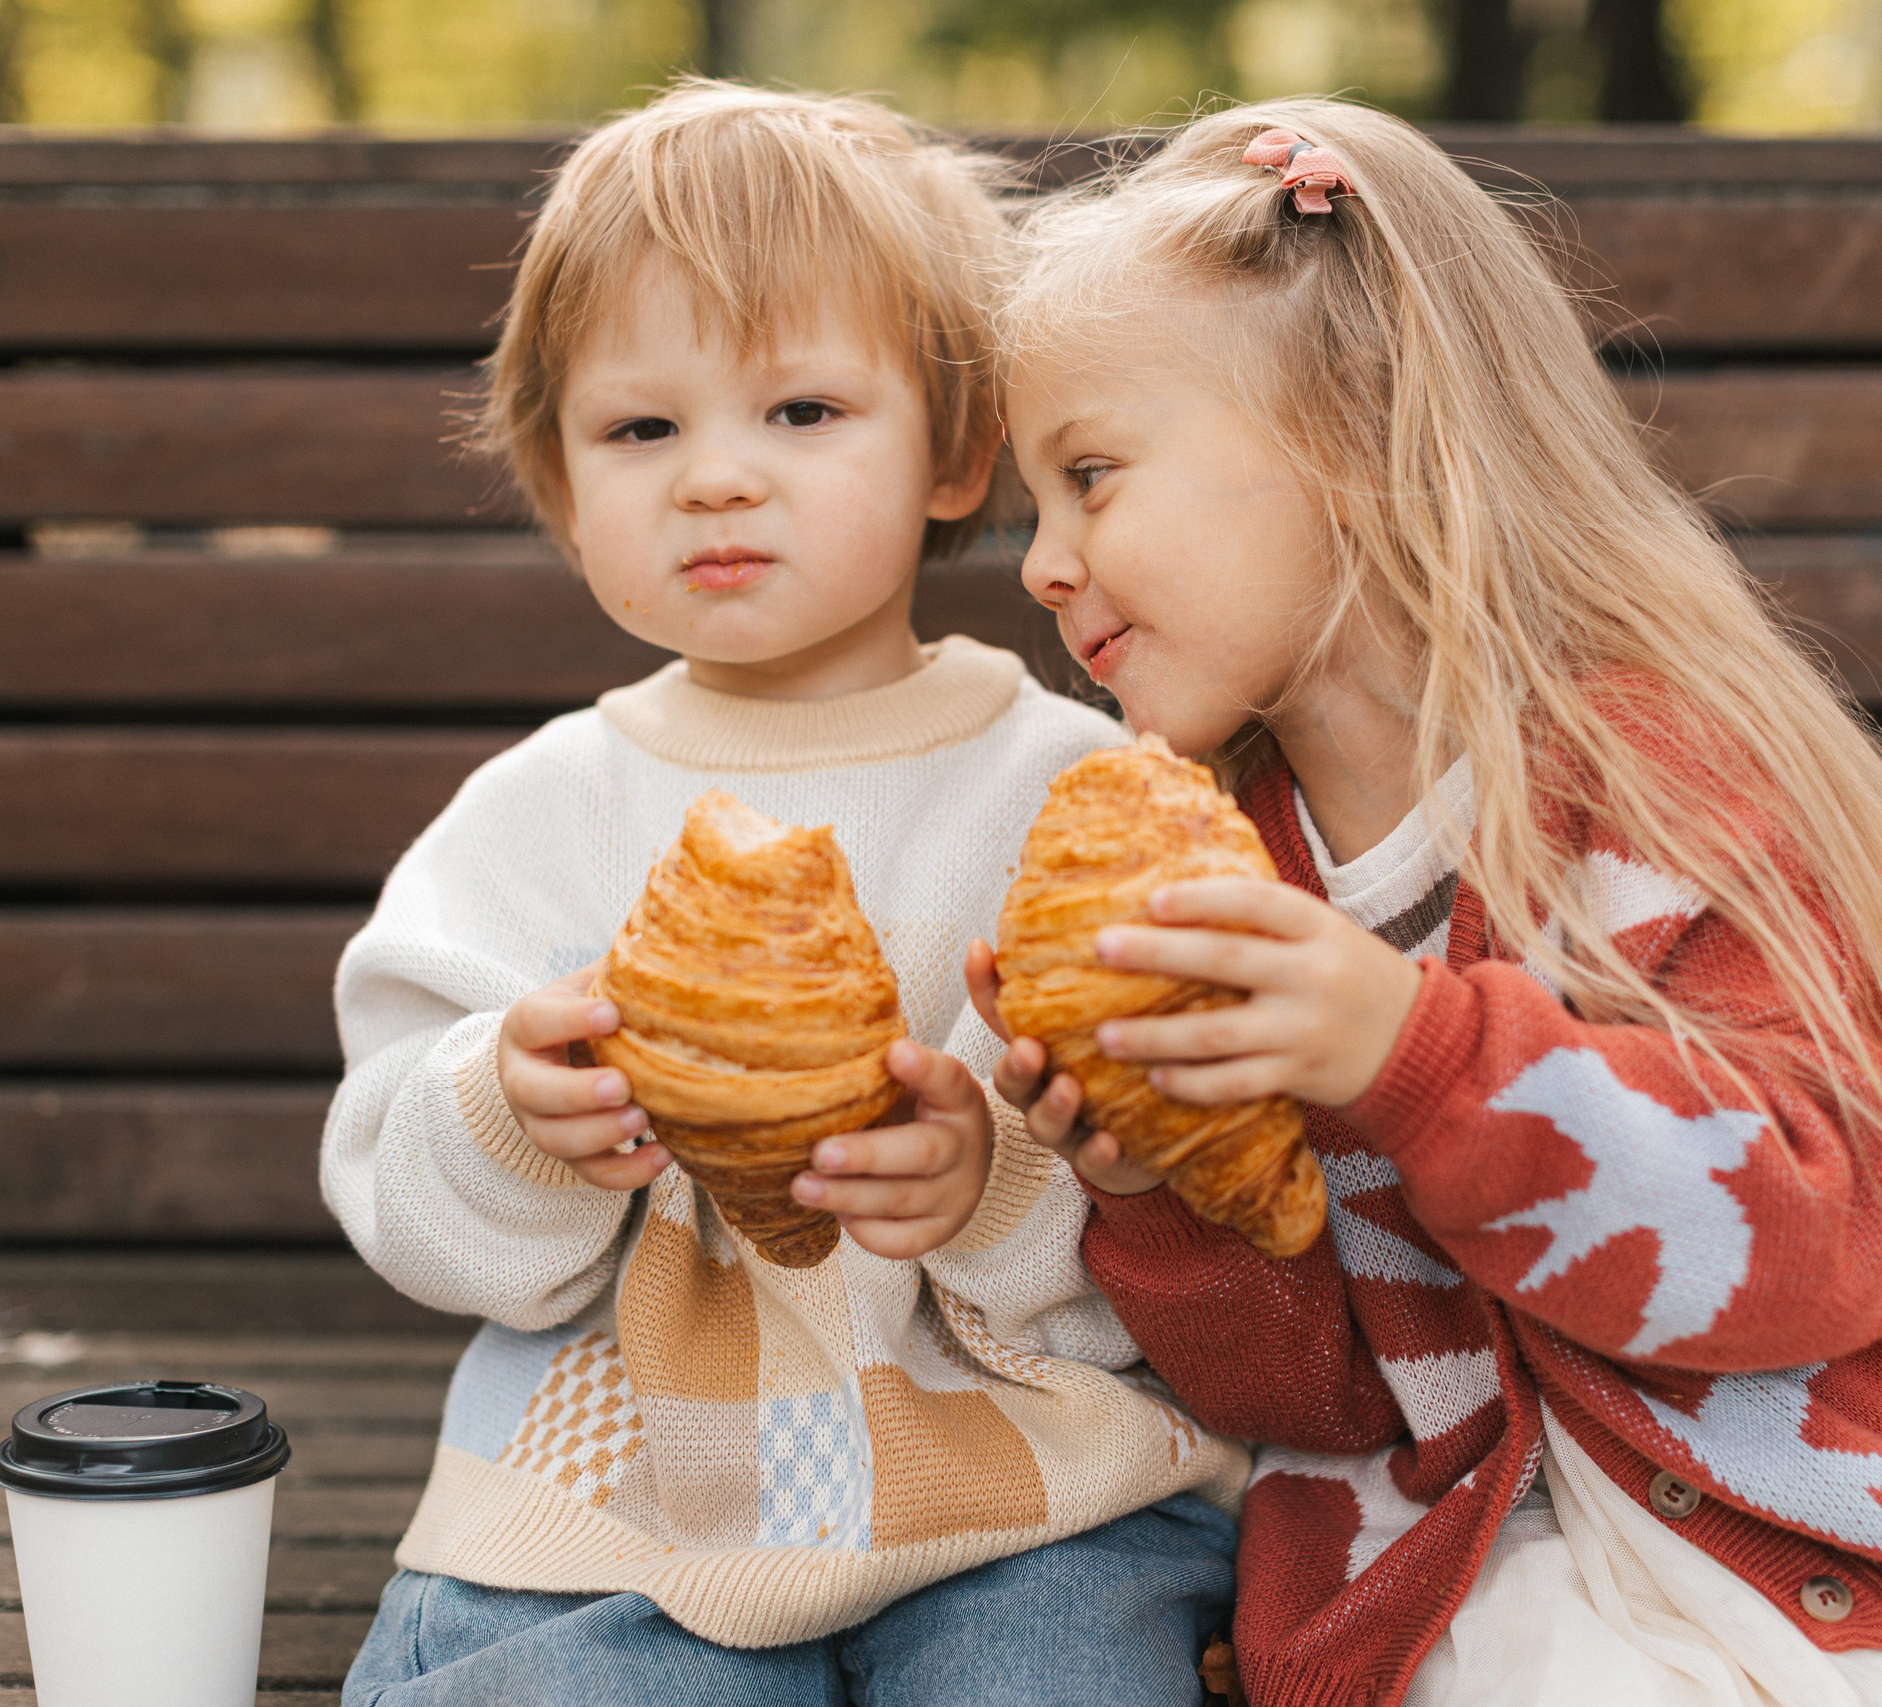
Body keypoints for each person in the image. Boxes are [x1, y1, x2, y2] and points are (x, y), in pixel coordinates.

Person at [972, 99, 1882, 1707]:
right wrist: (1176, 1189)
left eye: (1091, 476)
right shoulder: (1230, 867)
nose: (1043, 562)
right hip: (1469, 1574)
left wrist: (1415, 1052)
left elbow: (1805, 1231)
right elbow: (1316, 1401)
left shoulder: (1658, 784)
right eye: (1038, 505)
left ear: (1357, 434)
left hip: (1853, 1534)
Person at [322, 81, 1242, 1706]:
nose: (717, 479)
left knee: (1060, 1676)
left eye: (802, 414)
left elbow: (1172, 1164)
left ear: (961, 453)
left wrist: (991, 1185)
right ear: (560, 476)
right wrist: (511, 1117)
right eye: (642, 429)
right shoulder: (542, 815)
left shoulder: (1068, 792)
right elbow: (402, 1192)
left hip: (1010, 1460)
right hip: (628, 1476)